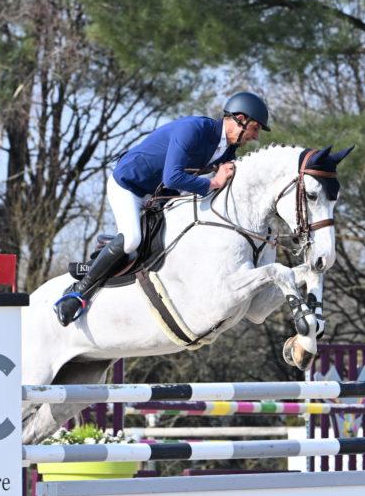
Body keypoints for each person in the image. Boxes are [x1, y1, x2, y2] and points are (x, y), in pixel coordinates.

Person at [55, 92, 271, 326]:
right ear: (240, 119)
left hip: (160, 194)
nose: (255, 136)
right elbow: (173, 176)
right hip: (129, 185)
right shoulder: (194, 129)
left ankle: (107, 252)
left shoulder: (227, 149)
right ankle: (76, 293)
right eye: (255, 128)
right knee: (131, 241)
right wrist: (214, 182)